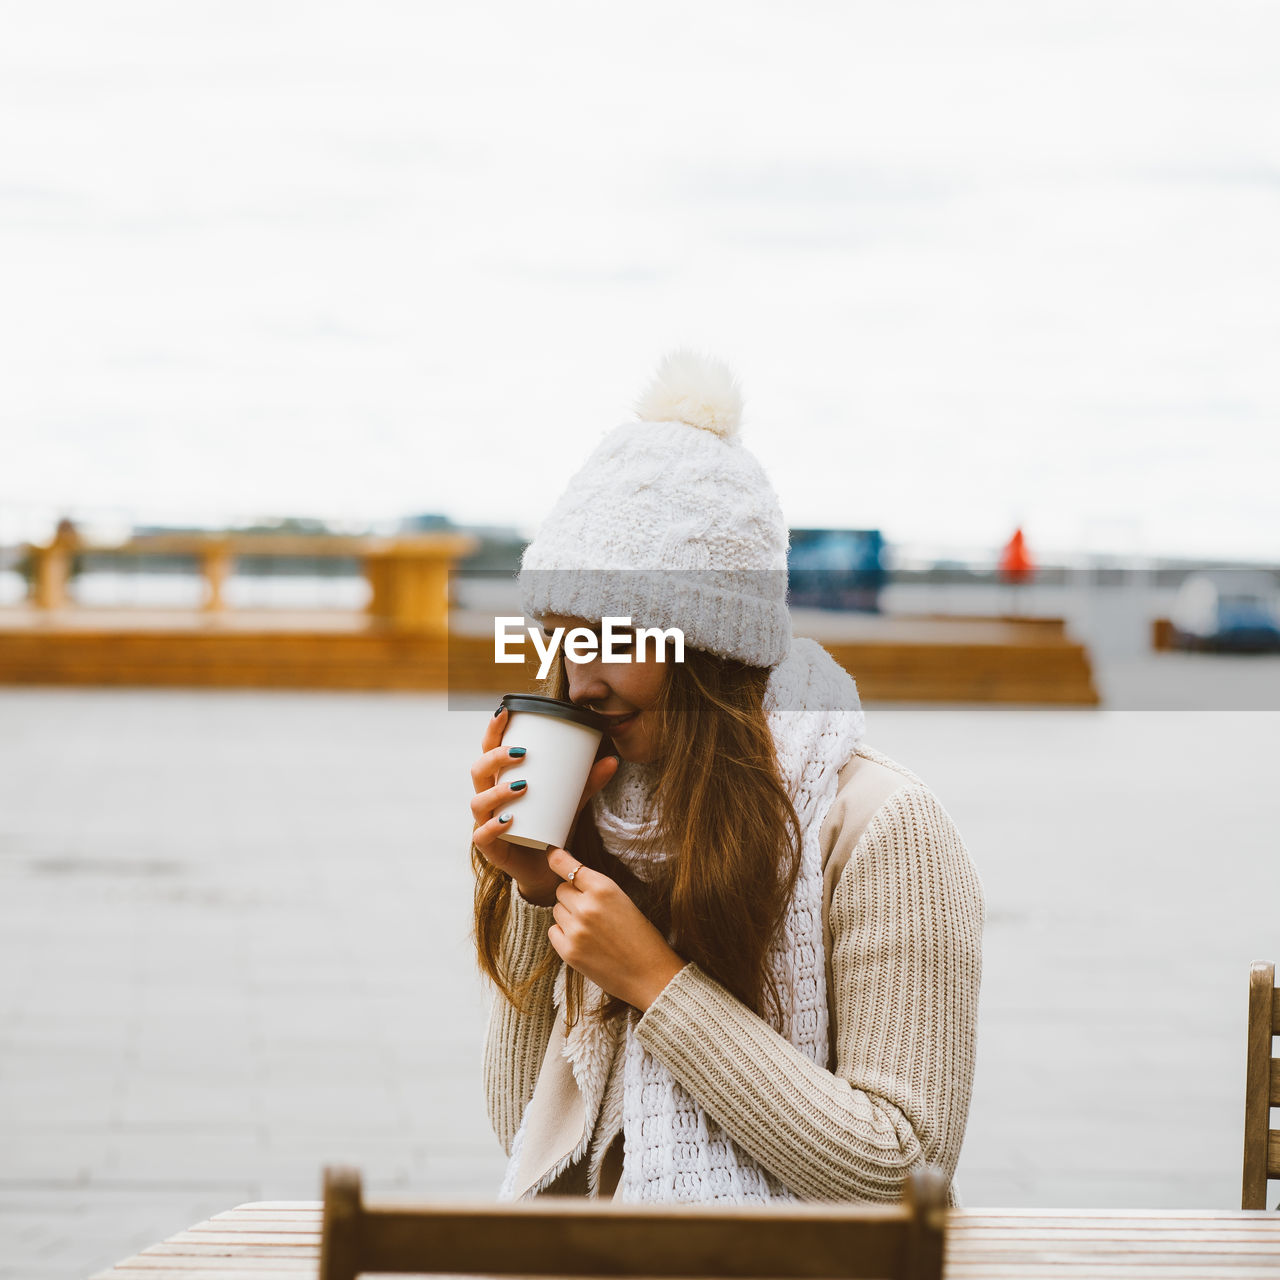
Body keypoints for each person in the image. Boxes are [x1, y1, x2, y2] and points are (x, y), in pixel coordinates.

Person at [468, 350, 985, 1205]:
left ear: (710, 649)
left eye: (616, 639)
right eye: (563, 642)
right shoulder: (608, 805)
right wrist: (535, 887)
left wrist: (656, 984)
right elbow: (524, 1128)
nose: (581, 679)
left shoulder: (885, 827)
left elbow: (906, 1173)